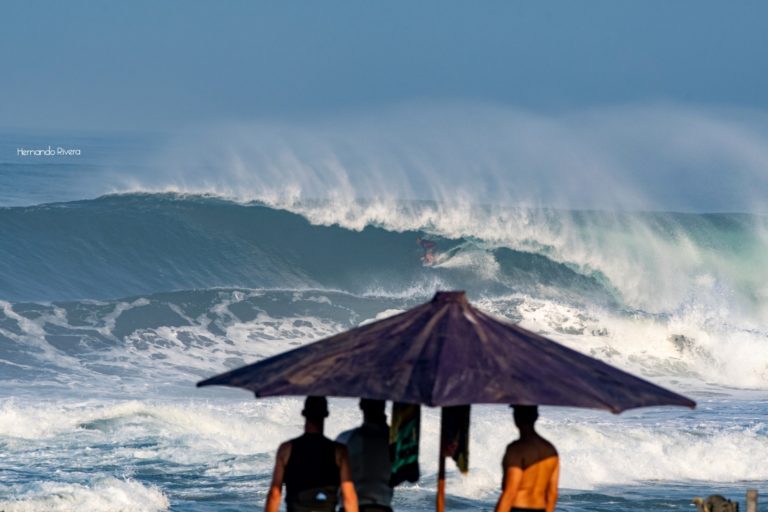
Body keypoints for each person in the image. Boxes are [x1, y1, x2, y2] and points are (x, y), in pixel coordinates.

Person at [265, 396, 359, 512]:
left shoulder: (286, 449)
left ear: (303, 413)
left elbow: (275, 494)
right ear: (326, 414)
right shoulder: (339, 451)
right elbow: (348, 496)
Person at [494, 406, 559, 512]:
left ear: (515, 417)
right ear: (536, 416)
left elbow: (510, 492)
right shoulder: (551, 450)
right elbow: (553, 492)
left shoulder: (517, 449)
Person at [336, 399, 393, 512]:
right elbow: (411, 475)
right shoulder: (395, 440)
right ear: (384, 405)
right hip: (382, 508)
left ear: (361, 405)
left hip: (349, 507)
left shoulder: (346, 439)